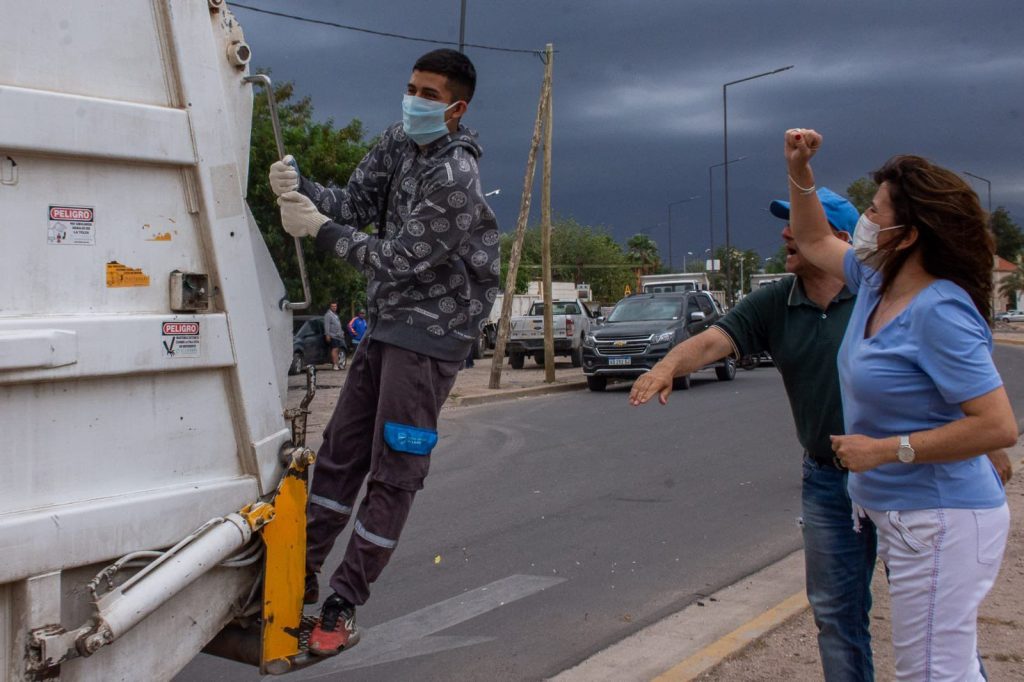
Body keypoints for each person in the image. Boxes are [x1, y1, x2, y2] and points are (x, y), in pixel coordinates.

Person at [268, 49, 499, 656]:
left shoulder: (456, 179)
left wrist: (316, 229)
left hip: (430, 336)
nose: (413, 101)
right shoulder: (400, 143)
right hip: (388, 326)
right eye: (411, 88)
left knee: (395, 471)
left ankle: (342, 604)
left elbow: (398, 260)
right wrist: (302, 188)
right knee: (341, 454)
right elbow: (353, 205)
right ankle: (301, 576)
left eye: (427, 94)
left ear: (455, 109)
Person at [783, 128, 1018, 681]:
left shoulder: (940, 310)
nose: (864, 222)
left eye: (873, 211)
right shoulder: (874, 282)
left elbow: (998, 425)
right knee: (945, 670)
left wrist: (887, 450)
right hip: (906, 518)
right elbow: (816, 239)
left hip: (942, 519)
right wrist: (799, 169)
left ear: (908, 234)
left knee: (931, 674)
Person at [324, 301, 344, 370]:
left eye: (335, 306)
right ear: (330, 307)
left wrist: (342, 332)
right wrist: (327, 335)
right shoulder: (328, 315)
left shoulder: (335, 314)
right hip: (332, 335)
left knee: (337, 350)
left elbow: (338, 325)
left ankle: (338, 364)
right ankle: (335, 365)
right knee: (334, 349)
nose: (334, 307)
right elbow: (327, 325)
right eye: (333, 306)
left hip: (338, 336)